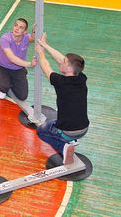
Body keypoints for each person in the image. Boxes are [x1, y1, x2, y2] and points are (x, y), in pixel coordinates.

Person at [34, 33, 89, 165]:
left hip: (68, 131)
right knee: (55, 121)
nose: (61, 61)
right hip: (84, 128)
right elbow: (61, 59)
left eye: (64, 62)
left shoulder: (60, 82)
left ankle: (64, 145)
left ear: (69, 68)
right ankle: (70, 141)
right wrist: (45, 45)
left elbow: (45, 66)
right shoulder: (81, 78)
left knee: (41, 131)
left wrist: (40, 52)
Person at [0, 18, 36, 101]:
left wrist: (34, 31)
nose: (17, 28)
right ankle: (2, 81)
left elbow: (32, 39)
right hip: (2, 67)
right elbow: (12, 58)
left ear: (25, 31)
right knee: (4, 87)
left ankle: (8, 80)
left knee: (22, 96)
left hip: (18, 69)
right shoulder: (5, 38)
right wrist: (29, 64)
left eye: (21, 27)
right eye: (16, 25)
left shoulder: (26, 37)